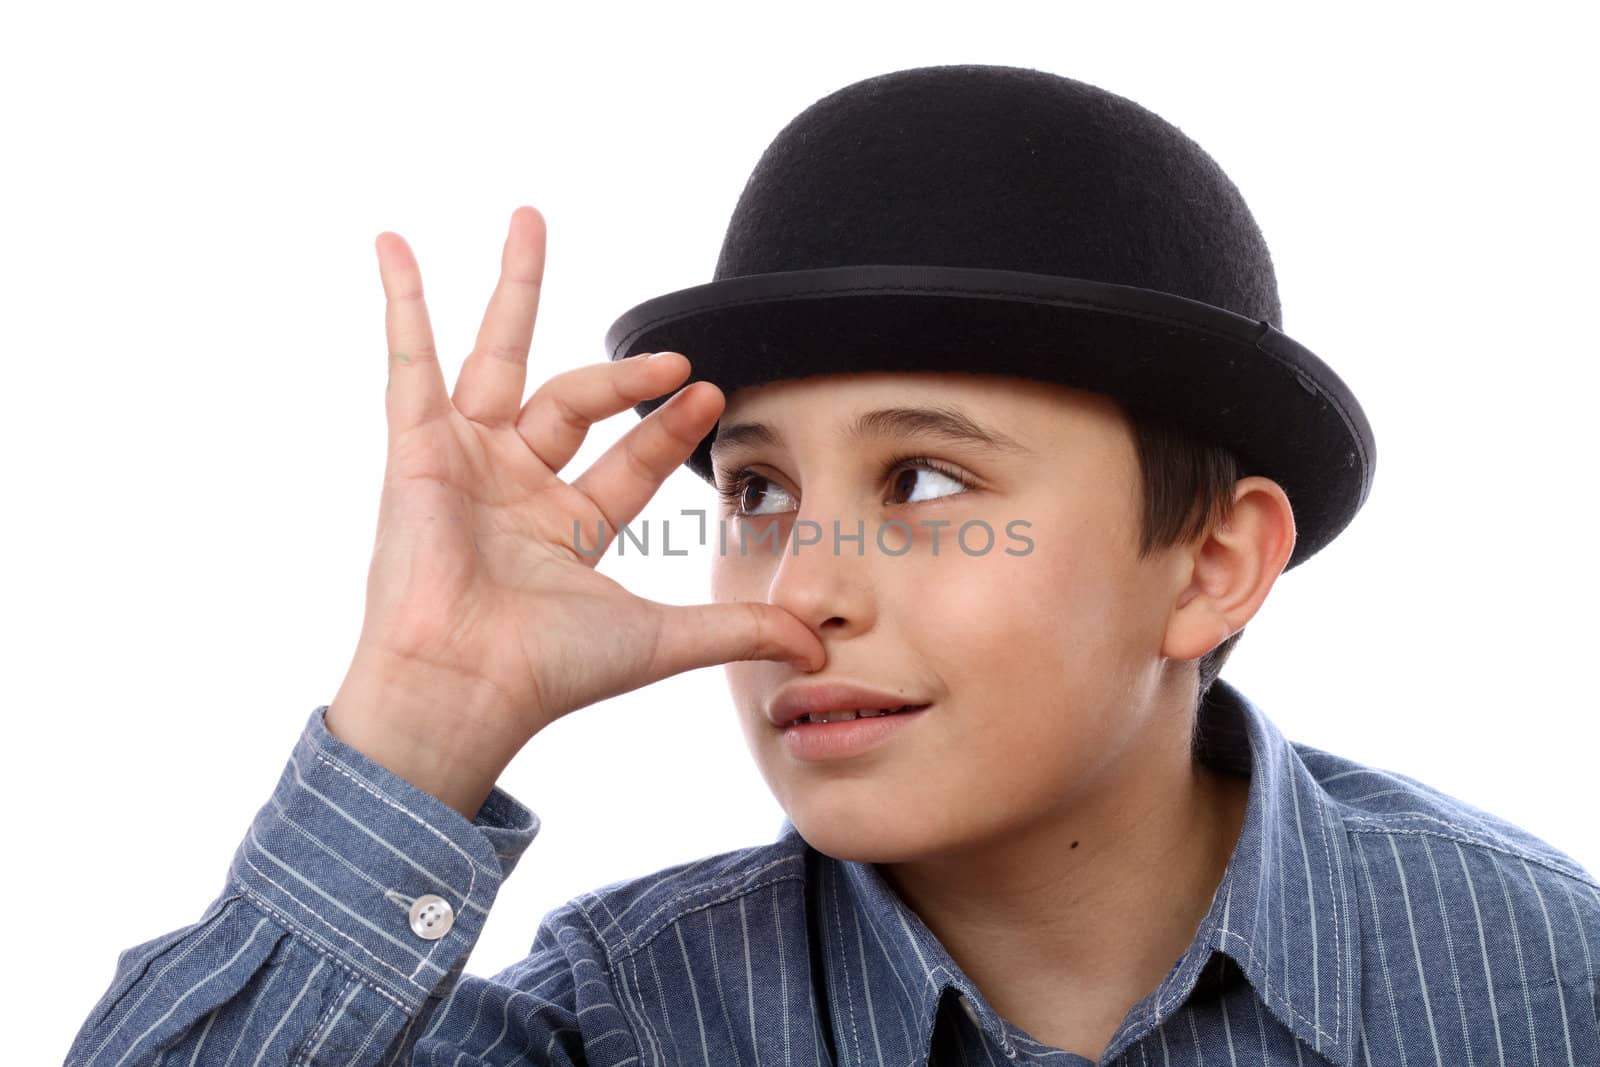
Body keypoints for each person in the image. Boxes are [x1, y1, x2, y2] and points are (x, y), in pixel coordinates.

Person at [67, 64, 1599, 1067]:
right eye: (756, 491)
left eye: (925, 482)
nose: (800, 590)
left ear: (1210, 563)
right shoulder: (628, 1021)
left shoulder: (1543, 981)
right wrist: (420, 716)